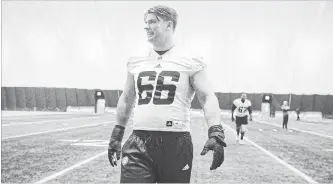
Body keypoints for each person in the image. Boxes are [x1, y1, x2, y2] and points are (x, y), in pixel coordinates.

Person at [107, 5, 227, 183]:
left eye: (152, 22)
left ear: (169, 25)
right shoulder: (136, 59)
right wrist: (117, 134)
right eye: (146, 22)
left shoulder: (190, 59)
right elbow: (127, 98)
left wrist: (216, 132)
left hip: (176, 141)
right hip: (139, 140)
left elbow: (207, 97)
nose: (146, 27)